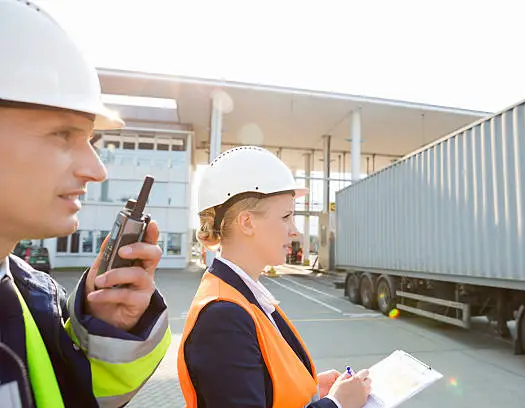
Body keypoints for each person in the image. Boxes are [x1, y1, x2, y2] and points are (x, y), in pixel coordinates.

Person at [0, 1, 171, 407]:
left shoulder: (37, 299)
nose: (97, 170)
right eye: (62, 134)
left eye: (90, 140)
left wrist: (107, 329)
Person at [177, 146, 372, 408]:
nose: (295, 232)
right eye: (286, 217)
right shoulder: (222, 316)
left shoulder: (242, 296)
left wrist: (310, 388)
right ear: (247, 223)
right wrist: (336, 404)